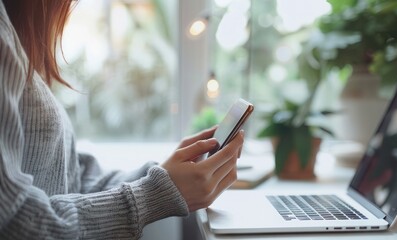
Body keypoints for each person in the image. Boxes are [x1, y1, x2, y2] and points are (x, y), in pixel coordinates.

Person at [0, 0, 244, 239]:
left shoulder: (15, 34)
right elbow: (14, 224)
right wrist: (155, 193)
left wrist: (161, 176)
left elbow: (73, 175)